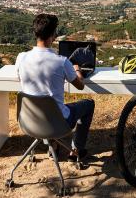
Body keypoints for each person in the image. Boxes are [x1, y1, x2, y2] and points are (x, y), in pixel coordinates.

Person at [16, 13, 95, 161]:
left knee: (46, 103)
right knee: (89, 105)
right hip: (59, 123)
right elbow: (80, 86)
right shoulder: (62, 62)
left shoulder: (21, 58)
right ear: (53, 35)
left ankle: (54, 146)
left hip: (29, 121)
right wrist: (76, 69)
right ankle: (76, 150)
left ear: (35, 33)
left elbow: (20, 79)